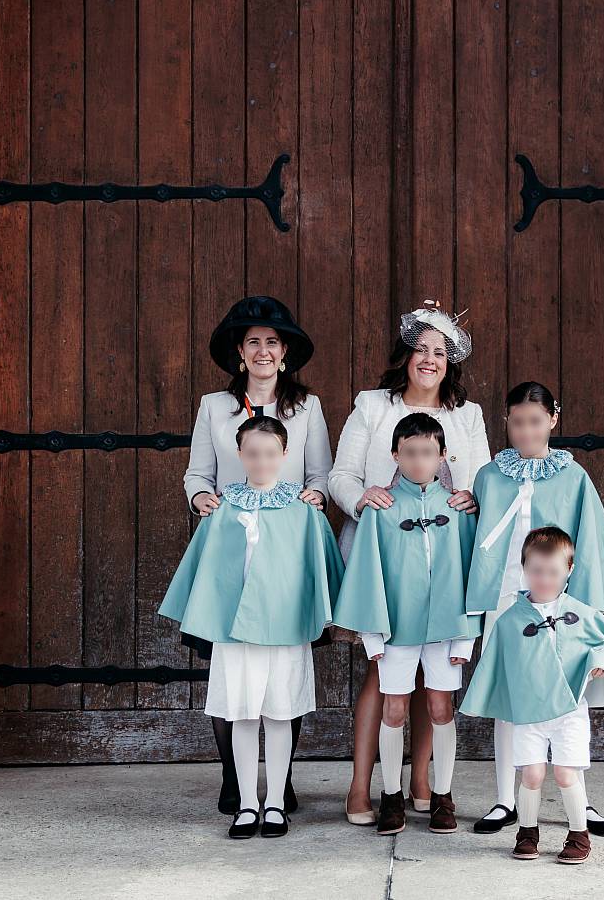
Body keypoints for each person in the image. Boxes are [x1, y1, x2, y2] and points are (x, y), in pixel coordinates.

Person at [328, 302, 490, 824]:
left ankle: (423, 781)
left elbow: (482, 476)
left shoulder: (466, 415)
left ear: (451, 363)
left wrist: (469, 499)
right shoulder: (373, 406)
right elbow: (341, 475)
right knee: (384, 678)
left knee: (434, 684)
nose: (429, 359)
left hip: (444, 561)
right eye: (421, 349)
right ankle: (362, 786)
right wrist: (365, 498)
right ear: (406, 356)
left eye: (439, 352)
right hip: (385, 556)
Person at [159, 415, 344, 840]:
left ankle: (276, 802)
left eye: (270, 453)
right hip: (234, 630)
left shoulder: (304, 511)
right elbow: (203, 571)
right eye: (252, 453)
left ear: (285, 455)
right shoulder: (222, 511)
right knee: (242, 715)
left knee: (280, 715)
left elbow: (322, 568)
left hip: (285, 627)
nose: (261, 460)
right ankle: (246, 804)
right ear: (240, 454)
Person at [183, 296, 333, 815]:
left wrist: (316, 495)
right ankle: (236, 779)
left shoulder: (307, 407)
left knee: (282, 674)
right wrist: (203, 498)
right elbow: (198, 475)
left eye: (272, 342)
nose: (263, 350)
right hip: (232, 550)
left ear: (284, 351)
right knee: (232, 674)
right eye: (253, 342)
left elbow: (320, 475)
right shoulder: (213, 407)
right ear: (239, 353)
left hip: (285, 554)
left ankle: (281, 782)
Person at [465, 381, 604, 836]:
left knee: (569, 695)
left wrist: (591, 630)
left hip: (561, 604)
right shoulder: (489, 475)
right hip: (506, 602)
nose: (525, 431)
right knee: (509, 696)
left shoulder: (573, 477)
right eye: (517, 422)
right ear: (506, 422)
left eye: (535, 421)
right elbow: (474, 536)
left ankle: (580, 796)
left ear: (553, 420)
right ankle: (505, 799)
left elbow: (590, 548)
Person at [461, 526, 604, 864]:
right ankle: (526, 831)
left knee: (566, 774)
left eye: (553, 572)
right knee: (532, 775)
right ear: (524, 569)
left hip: (569, 713)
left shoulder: (580, 613)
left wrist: (599, 662)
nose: (544, 579)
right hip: (529, 714)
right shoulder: (510, 621)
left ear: (568, 570)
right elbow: (496, 667)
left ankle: (579, 834)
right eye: (536, 571)